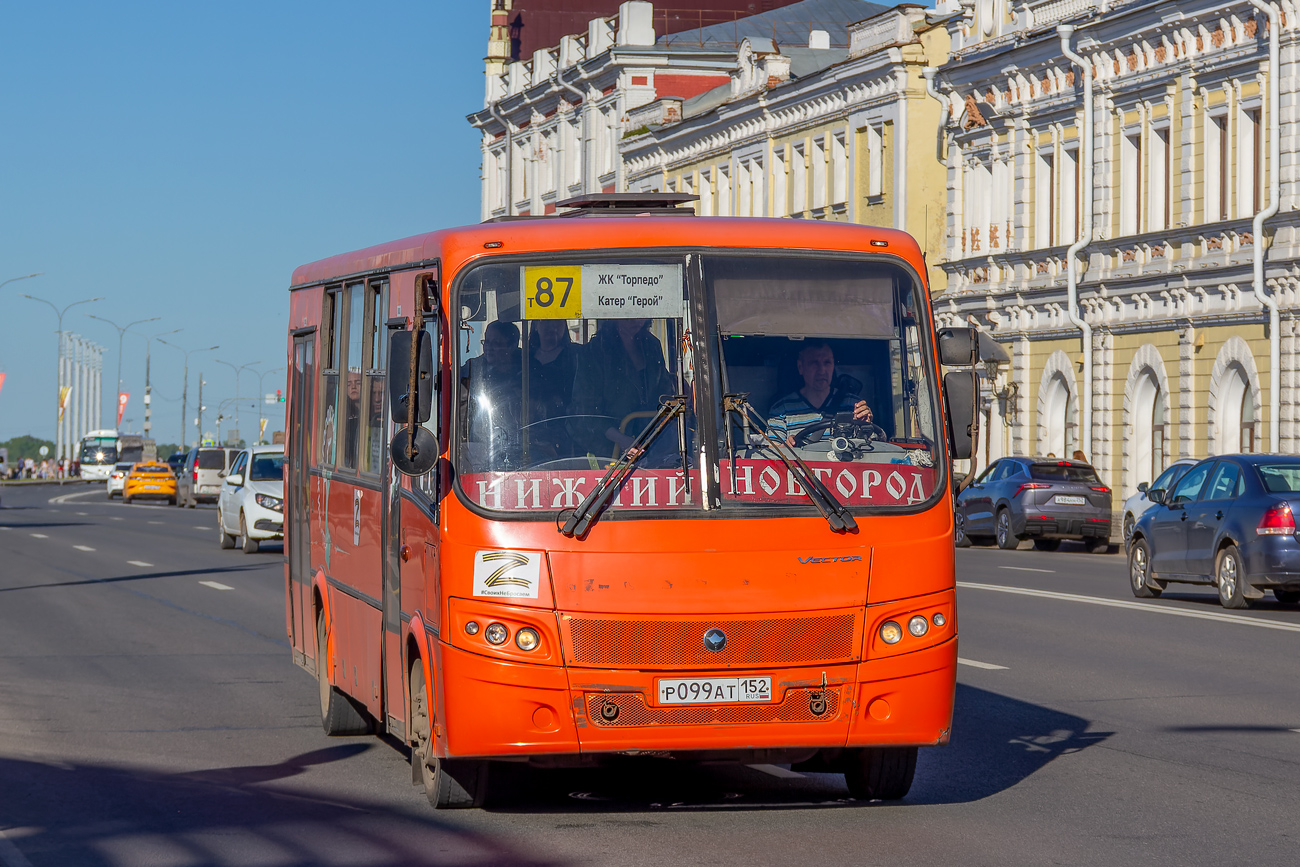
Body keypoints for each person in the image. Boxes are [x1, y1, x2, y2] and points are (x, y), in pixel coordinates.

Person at [569, 318, 674, 459]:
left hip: (653, 441)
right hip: (608, 449)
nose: (636, 321)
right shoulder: (596, 350)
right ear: (614, 316)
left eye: (640, 315)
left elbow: (663, 391)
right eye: (629, 315)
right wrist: (621, 439)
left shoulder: (651, 345)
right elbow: (586, 412)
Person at [766, 340, 873, 446]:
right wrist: (787, 446)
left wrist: (865, 427)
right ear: (800, 367)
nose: (822, 370)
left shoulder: (853, 405)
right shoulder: (781, 409)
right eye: (814, 363)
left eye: (827, 362)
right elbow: (772, 453)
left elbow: (870, 448)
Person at [460, 320, 524, 468]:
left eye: (496, 343)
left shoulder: (527, 368)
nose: (489, 348)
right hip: (480, 444)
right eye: (486, 342)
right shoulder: (472, 369)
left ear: (511, 345)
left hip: (520, 444)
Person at [526, 319, 579, 461]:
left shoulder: (576, 355)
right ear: (536, 325)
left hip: (568, 433)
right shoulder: (524, 358)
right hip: (530, 434)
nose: (552, 327)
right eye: (546, 321)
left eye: (558, 322)